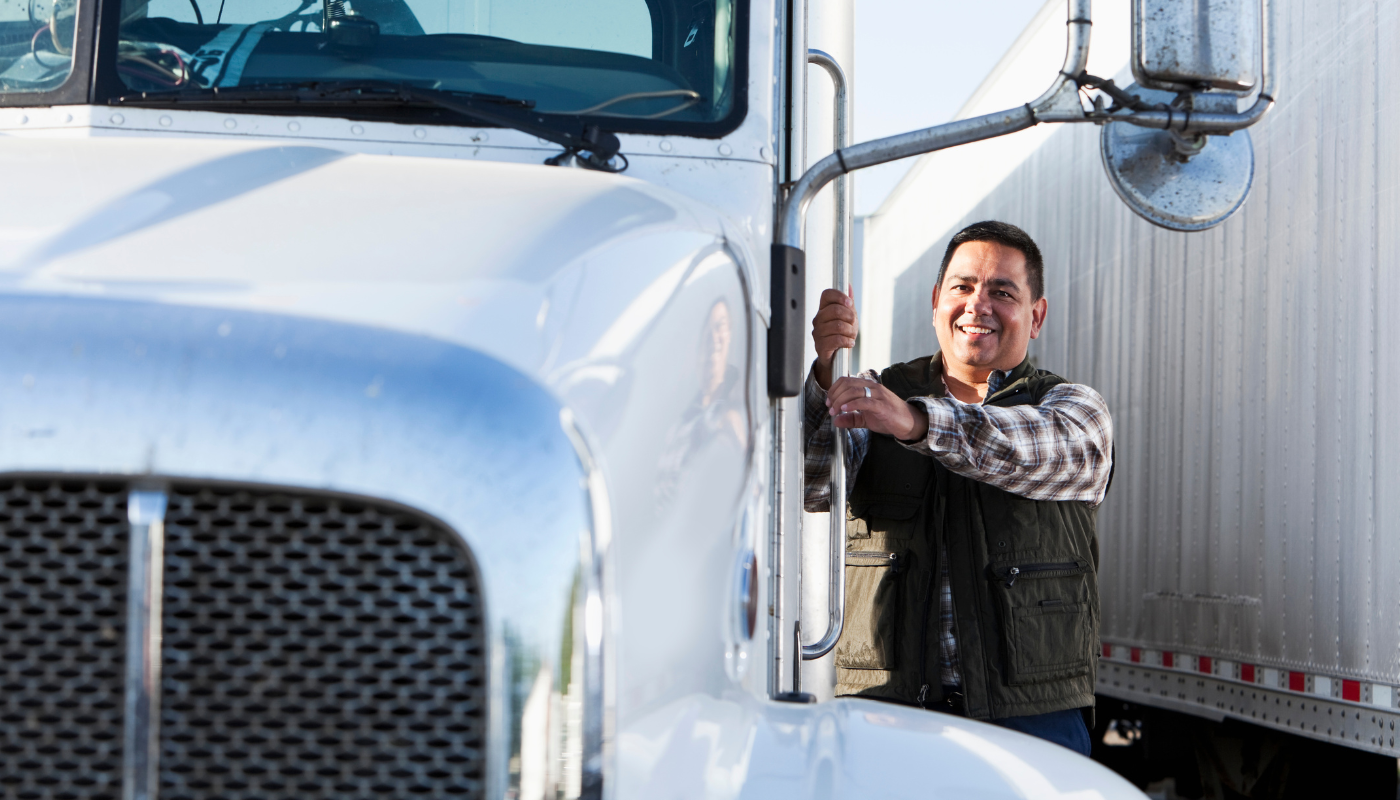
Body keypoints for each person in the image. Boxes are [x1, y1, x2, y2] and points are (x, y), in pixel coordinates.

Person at [803, 220, 1113, 755]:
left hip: (1032, 717)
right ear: (935, 302)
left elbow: (1027, 448)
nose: (978, 305)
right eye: (963, 287)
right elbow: (812, 490)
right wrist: (827, 378)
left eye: (1002, 292)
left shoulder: (1074, 410)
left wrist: (917, 424)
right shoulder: (877, 398)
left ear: (1036, 316)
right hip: (886, 709)